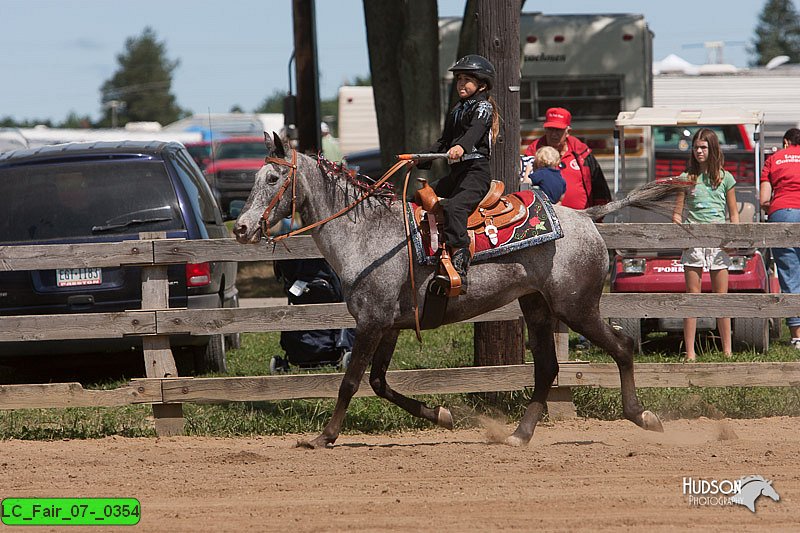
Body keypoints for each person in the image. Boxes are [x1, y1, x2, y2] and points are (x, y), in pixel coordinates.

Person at [420, 54, 500, 291]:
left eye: (467, 80)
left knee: (455, 207)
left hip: (476, 172)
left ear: (482, 85)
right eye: (459, 80)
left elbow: (475, 131)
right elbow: (444, 141)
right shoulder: (456, 110)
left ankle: (460, 265)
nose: (461, 85)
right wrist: (421, 158)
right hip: (457, 174)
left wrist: (462, 147)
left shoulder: (484, 107)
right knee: (421, 197)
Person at [672, 128, 740, 361]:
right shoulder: (686, 178)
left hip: (718, 243)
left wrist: (731, 241)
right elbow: (677, 214)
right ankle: (690, 352)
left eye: (704, 147)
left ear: (712, 149)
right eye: (696, 147)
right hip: (694, 242)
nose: (699, 151)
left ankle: (727, 351)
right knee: (693, 295)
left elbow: (733, 214)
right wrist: (682, 238)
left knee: (721, 296)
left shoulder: (725, 178)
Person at [523, 107, 611, 210]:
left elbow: (599, 188)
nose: (554, 134)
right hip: (545, 221)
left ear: (567, 131)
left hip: (582, 219)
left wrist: (598, 217)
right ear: (545, 129)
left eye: (558, 130)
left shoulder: (581, 153)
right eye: (550, 129)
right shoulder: (532, 154)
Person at [760, 127, 800, 349]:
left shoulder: (774, 159)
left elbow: (764, 199)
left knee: (790, 275)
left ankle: (797, 336)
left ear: (786, 143)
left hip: (782, 212)